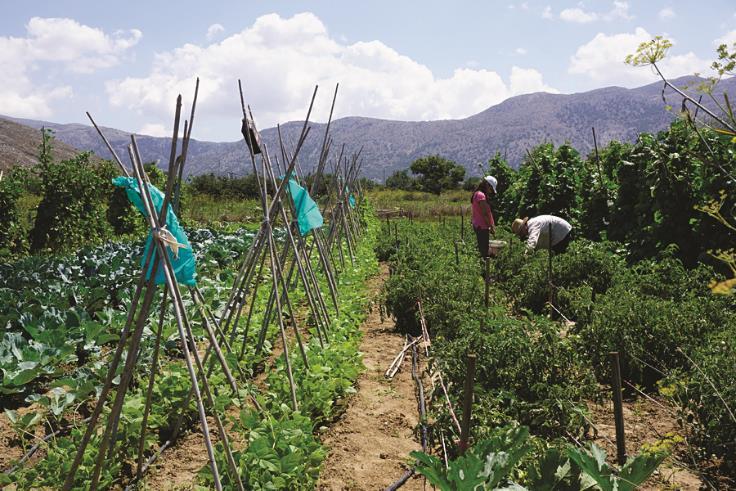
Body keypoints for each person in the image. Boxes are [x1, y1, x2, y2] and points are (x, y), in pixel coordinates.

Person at [470, 176, 497, 257]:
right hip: (482, 226)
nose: (491, 191)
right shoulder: (481, 195)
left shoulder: (477, 194)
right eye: (491, 189)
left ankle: (484, 265)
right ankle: (484, 267)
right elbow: (485, 213)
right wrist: (491, 226)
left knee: (483, 248)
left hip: (479, 225)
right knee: (484, 251)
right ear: (487, 185)